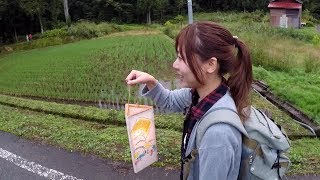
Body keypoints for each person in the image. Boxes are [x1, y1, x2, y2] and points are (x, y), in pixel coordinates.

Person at [125, 21, 253, 180]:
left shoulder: (218, 134)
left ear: (211, 64)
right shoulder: (200, 95)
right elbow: (169, 101)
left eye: (181, 58)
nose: (174, 64)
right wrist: (151, 82)